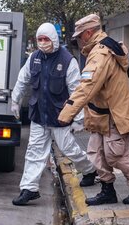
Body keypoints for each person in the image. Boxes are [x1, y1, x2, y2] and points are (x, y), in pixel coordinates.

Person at [58, 14, 129, 206]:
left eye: (80, 35)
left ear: (89, 33)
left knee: (115, 155)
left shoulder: (101, 54)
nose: (78, 39)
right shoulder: (97, 50)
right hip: (101, 114)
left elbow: (87, 86)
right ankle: (107, 190)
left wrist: (67, 114)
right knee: (96, 153)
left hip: (113, 115)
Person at [10, 22, 97, 206]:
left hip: (60, 117)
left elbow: (76, 91)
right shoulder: (34, 58)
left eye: (46, 39)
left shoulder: (67, 61)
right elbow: (22, 79)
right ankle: (29, 189)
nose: (42, 43)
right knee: (34, 152)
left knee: (69, 150)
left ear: (54, 40)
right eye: (39, 39)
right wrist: (15, 100)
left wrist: (78, 119)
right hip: (39, 116)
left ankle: (89, 170)